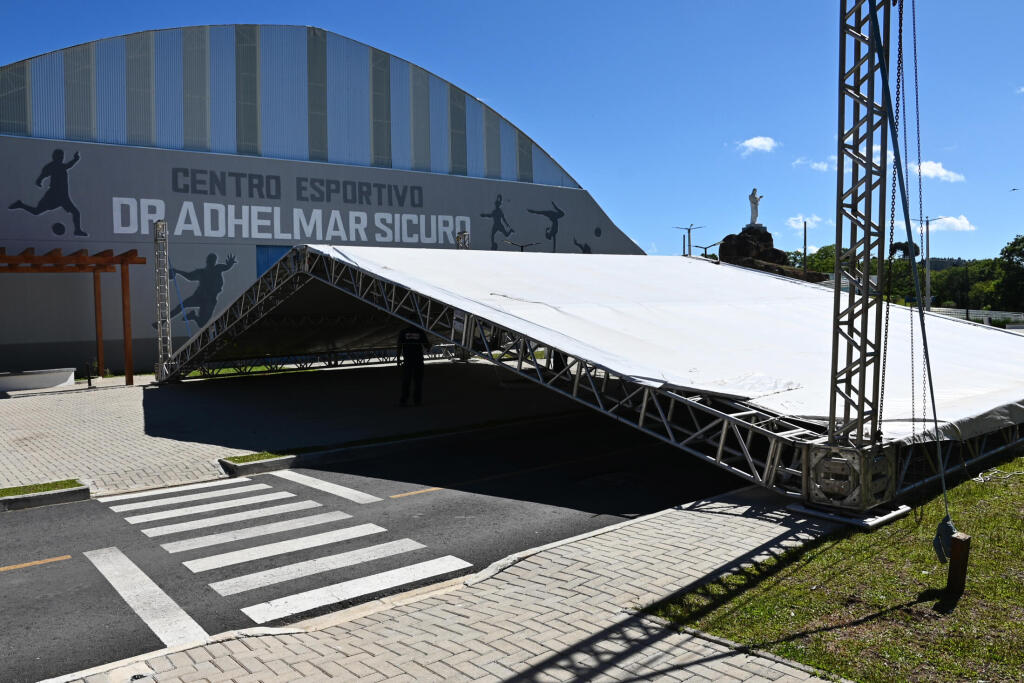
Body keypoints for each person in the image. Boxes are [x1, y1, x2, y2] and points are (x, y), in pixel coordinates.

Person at [9, 149, 86, 236]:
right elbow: (43, 175)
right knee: (37, 212)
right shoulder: (52, 166)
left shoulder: (60, 166)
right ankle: (20, 205)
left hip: (63, 196)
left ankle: (77, 230)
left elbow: (68, 165)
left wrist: (75, 159)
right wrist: (40, 180)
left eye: (62, 156)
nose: (61, 158)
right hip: (53, 195)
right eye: (59, 156)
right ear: (55, 157)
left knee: (76, 212)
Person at [396, 325, 431, 406]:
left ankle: (404, 400)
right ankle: (417, 401)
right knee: (418, 381)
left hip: (408, 360)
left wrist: (398, 359)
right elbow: (427, 346)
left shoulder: (403, 332)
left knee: (406, 381)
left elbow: (399, 346)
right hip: (418, 360)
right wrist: (429, 346)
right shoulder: (420, 332)